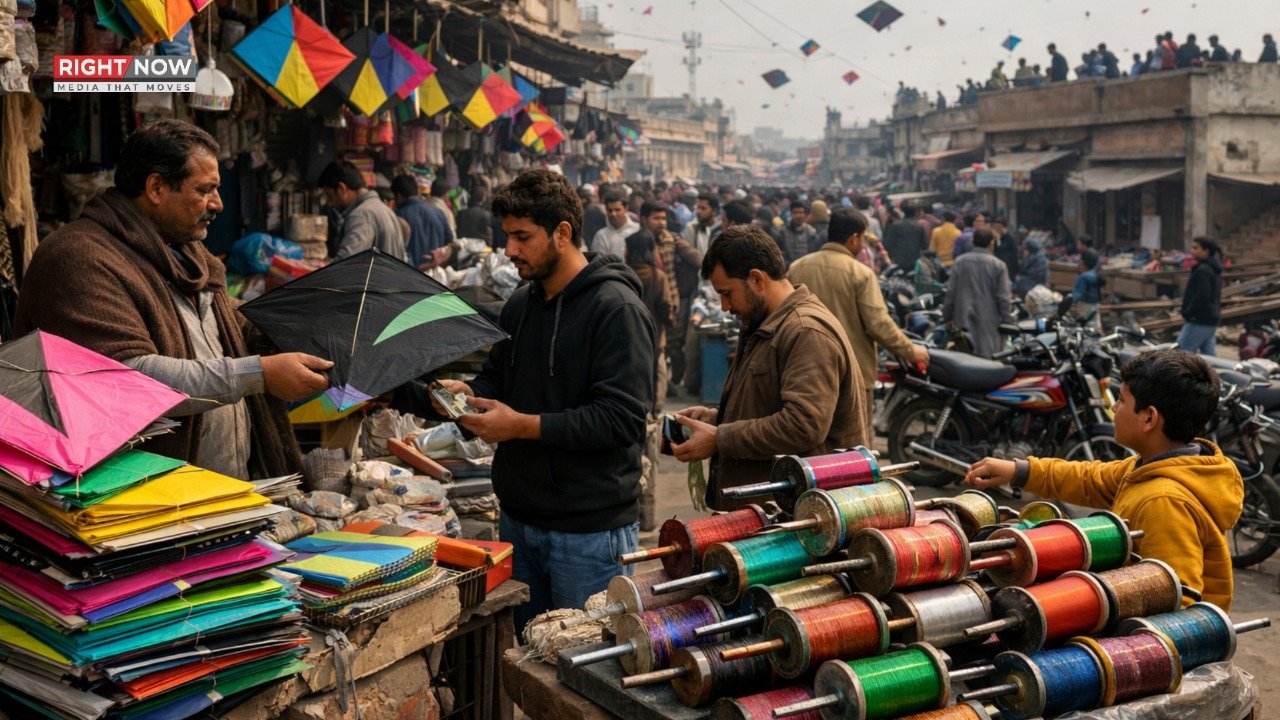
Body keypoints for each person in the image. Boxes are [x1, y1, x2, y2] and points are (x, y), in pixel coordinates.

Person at [14, 119, 329, 479]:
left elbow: (219, 327)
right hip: (138, 502)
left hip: (223, 493)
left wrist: (310, 333)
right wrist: (257, 373)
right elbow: (130, 378)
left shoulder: (189, 254)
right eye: (205, 189)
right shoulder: (79, 257)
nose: (218, 204)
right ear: (156, 187)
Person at [422, 169, 655, 634]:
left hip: (589, 533)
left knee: (589, 667)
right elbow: (498, 378)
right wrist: (471, 393)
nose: (510, 251)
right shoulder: (522, 303)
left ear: (562, 233)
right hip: (520, 522)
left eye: (522, 237)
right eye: (507, 236)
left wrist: (521, 426)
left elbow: (622, 421)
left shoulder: (615, 309)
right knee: (535, 657)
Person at [964, 349, 1243, 610]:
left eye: (1121, 400)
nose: (1114, 409)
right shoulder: (1154, 466)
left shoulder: (1164, 501)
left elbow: (1174, 602)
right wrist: (1019, 471)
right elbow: (1089, 479)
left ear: (1149, 419)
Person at [669, 225, 868, 509]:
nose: (724, 306)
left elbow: (803, 425)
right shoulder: (763, 322)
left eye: (727, 293)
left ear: (756, 279)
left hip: (803, 517)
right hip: (768, 510)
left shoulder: (805, 331)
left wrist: (720, 438)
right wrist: (718, 418)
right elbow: (767, 402)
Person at [789, 208, 928, 424]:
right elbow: (878, 324)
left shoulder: (797, 268)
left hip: (804, 373)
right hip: (851, 376)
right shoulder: (860, 274)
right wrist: (911, 351)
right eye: (863, 238)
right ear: (853, 239)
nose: (863, 243)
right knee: (853, 449)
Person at [626, 229, 672, 532]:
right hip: (655, 350)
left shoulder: (626, 276)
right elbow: (668, 309)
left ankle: (635, 516)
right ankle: (648, 520)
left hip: (631, 356)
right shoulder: (658, 276)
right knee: (650, 452)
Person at [642, 202, 699, 391]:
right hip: (646, 302)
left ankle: (669, 382)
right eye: (656, 218)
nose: (661, 223)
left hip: (670, 299)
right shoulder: (638, 241)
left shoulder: (672, 239)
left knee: (671, 344)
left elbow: (693, 256)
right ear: (644, 219)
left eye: (663, 218)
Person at [943, 227, 1012, 357]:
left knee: (964, 362)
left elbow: (950, 293)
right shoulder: (999, 265)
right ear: (991, 243)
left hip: (962, 321)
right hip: (989, 325)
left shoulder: (960, 262)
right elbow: (1004, 298)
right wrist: (1007, 324)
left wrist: (947, 317)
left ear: (973, 242)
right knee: (987, 364)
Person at [319, 161, 407, 261]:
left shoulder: (362, 215)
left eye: (330, 196)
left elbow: (346, 262)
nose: (330, 203)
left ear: (341, 189)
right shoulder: (385, 210)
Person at [392, 175, 453, 268]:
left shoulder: (398, 216)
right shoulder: (438, 213)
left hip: (411, 275)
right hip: (437, 275)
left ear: (399, 195)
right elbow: (450, 243)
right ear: (417, 192)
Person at [1177, 237, 1224, 355]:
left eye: (1195, 248)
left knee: (1180, 356)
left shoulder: (1204, 270)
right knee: (1209, 359)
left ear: (1205, 251)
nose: (1192, 250)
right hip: (1209, 319)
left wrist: (1189, 312)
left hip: (1199, 320)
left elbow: (1202, 296)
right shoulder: (1212, 268)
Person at [591, 191, 639, 259]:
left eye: (617, 210)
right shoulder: (601, 236)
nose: (613, 214)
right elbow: (599, 264)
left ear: (626, 209)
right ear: (606, 210)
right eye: (610, 210)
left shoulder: (637, 230)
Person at [884, 202, 929, 270]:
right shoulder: (919, 226)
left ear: (903, 212)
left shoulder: (895, 226)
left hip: (899, 261)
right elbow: (924, 245)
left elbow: (889, 243)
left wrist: (891, 257)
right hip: (915, 261)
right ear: (916, 213)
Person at [1073, 249, 1104, 331]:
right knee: (1095, 328)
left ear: (1084, 263)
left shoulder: (1084, 277)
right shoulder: (1095, 274)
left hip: (1085, 307)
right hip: (1095, 306)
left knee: (1083, 330)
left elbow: (1076, 296)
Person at [780, 200, 818, 266]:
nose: (798, 215)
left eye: (801, 213)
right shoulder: (782, 232)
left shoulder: (811, 232)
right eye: (795, 213)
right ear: (791, 214)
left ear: (805, 214)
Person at [991, 216, 1020, 284]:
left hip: (1008, 269)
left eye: (997, 228)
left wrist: (1013, 274)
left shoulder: (1011, 238)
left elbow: (1014, 256)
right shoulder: (995, 238)